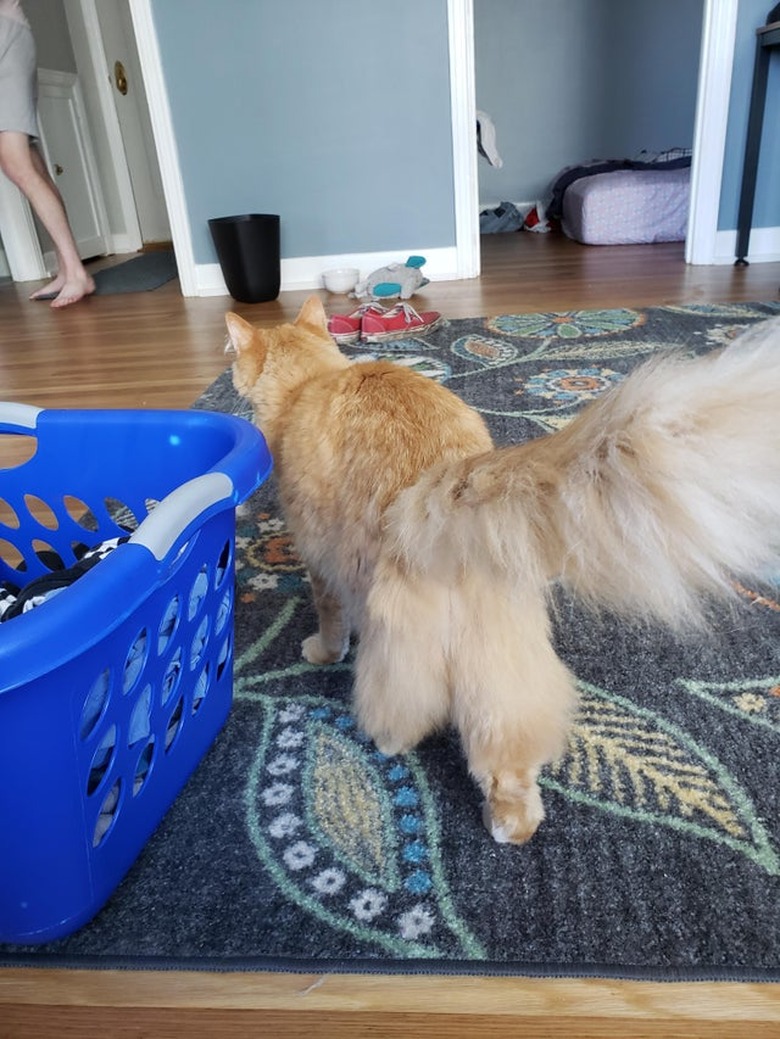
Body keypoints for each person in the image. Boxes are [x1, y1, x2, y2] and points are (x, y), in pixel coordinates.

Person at [0, 0, 94, 307]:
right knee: (29, 163)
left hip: (6, 34)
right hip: (10, 34)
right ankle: (69, 269)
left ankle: (78, 274)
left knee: (17, 165)